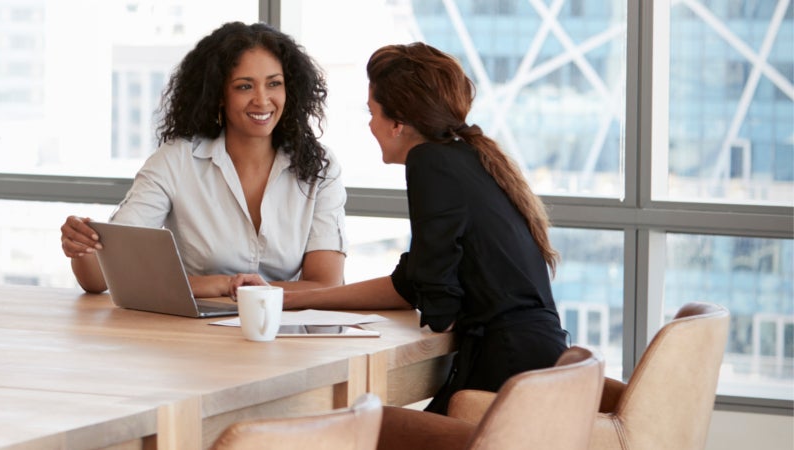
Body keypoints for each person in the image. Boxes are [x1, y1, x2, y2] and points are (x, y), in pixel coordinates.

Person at [234, 42, 569, 428]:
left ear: (398, 124)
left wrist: (436, 299)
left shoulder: (430, 162)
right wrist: (287, 298)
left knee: (363, 427)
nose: (370, 124)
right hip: (534, 364)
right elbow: (410, 283)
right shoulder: (466, 157)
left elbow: (439, 305)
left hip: (505, 373)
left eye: (372, 112)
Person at [59, 22, 347, 297]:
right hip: (192, 335)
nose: (262, 99)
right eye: (244, 86)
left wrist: (238, 290)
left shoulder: (319, 167)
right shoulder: (176, 161)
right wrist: (81, 245)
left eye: (274, 84)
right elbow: (100, 277)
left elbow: (326, 284)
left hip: (287, 334)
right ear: (219, 94)